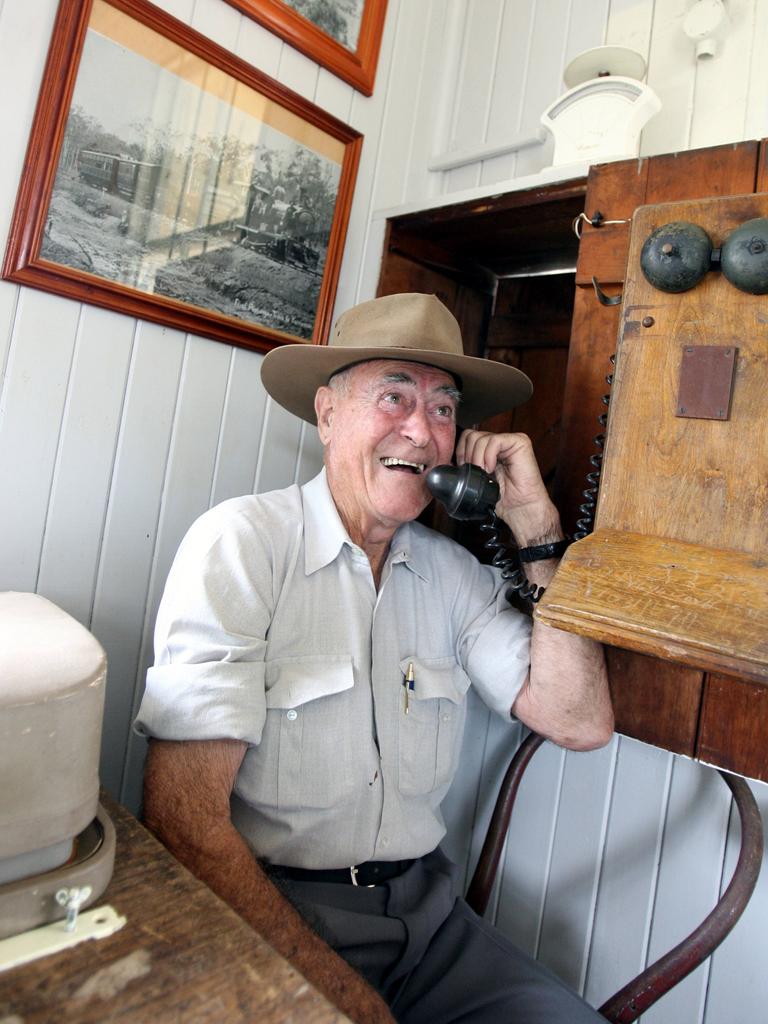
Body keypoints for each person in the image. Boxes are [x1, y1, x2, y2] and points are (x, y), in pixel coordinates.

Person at [135, 292, 613, 1023]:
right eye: (394, 397)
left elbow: (579, 720)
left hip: (432, 922)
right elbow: (183, 819)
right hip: (270, 906)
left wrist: (539, 530)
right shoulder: (244, 544)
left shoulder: (453, 575)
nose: (421, 432)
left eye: (444, 409)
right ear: (327, 415)